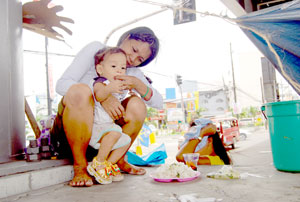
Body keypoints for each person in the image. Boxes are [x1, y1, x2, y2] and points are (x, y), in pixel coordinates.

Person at [50, 27, 163, 187]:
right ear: (126, 38)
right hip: (71, 135)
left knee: (137, 104)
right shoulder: (97, 50)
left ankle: (115, 161)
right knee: (80, 91)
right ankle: (80, 166)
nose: (132, 58)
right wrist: (101, 94)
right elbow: (62, 84)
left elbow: (159, 103)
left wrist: (138, 84)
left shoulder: (132, 72)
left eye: (139, 59)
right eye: (134, 49)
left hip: (104, 137)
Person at [86, 47, 131, 184]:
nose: (119, 70)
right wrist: (110, 89)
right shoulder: (100, 82)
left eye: (123, 68)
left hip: (108, 127)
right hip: (97, 127)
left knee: (126, 140)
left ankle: (107, 165)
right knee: (115, 133)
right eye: (113, 66)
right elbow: (99, 95)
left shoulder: (116, 85)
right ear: (100, 69)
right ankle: (98, 163)